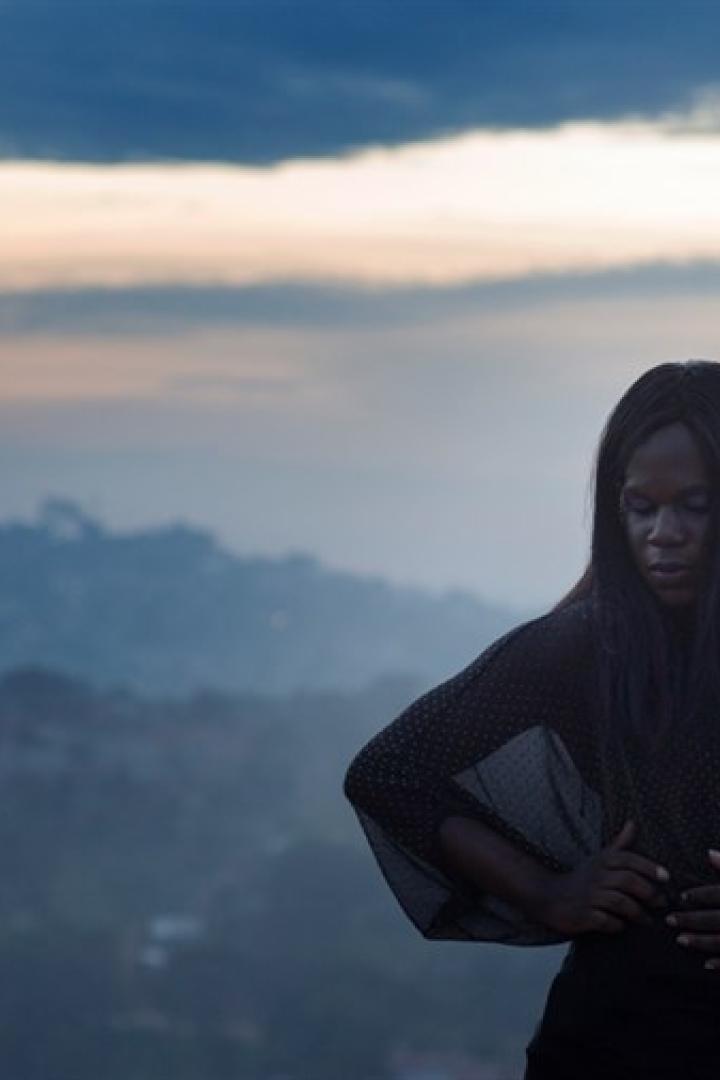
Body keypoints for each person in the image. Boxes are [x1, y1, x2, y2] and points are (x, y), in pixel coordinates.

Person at [343, 360, 720, 1079]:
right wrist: (546, 890)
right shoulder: (587, 646)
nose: (663, 533)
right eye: (640, 507)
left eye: (695, 506)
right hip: (622, 1037)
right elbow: (392, 773)